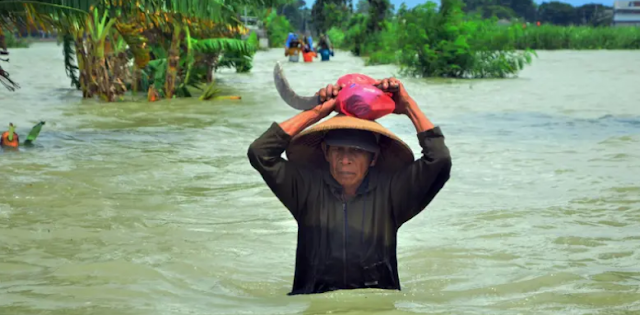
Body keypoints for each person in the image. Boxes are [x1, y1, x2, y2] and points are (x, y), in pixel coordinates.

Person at [247, 78, 452, 295]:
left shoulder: (392, 194)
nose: (345, 160)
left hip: (377, 307)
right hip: (315, 305)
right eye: (338, 150)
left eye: (356, 150)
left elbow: (439, 159)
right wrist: (318, 111)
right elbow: (260, 152)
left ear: (373, 158)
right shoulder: (305, 189)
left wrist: (408, 105)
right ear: (326, 153)